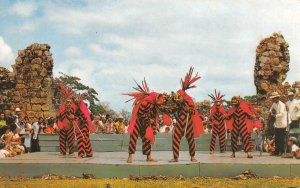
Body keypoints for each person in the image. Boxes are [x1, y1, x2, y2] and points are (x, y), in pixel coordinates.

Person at [124, 79, 170, 163]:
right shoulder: (145, 102)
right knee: (133, 138)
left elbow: (154, 116)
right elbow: (141, 113)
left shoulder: (154, 105)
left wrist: (152, 126)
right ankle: (130, 156)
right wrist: (150, 120)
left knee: (147, 139)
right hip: (138, 122)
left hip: (146, 123)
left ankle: (148, 156)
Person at [168, 67, 204, 162]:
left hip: (188, 125)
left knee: (191, 140)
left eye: (179, 96)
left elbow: (193, 112)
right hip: (180, 124)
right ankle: (175, 157)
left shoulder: (189, 102)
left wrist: (187, 108)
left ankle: (192, 156)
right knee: (175, 139)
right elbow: (171, 110)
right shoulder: (177, 104)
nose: (177, 98)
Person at [269, 92, 288, 156]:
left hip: (282, 123)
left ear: (277, 98)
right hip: (277, 123)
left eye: (274, 98)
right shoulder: (274, 103)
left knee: (281, 139)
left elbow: (282, 114)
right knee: (277, 138)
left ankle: (281, 151)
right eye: (273, 98)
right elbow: (270, 110)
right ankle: (276, 151)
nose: (273, 99)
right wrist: (271, 113)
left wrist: (275, 115)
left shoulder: (282, 105)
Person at [208, 90, 227, 154]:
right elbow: (210, 118)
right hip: (215, 126)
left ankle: (222, 149)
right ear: (215, 102)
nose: (218, 104)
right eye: (217, 102)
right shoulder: (212, 109)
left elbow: (225, 115)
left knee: (222, 138)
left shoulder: (222, 108)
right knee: (213, 138)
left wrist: (224, 116)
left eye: (219, 103)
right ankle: (212, 150)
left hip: (221, 126)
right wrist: (212, 121)